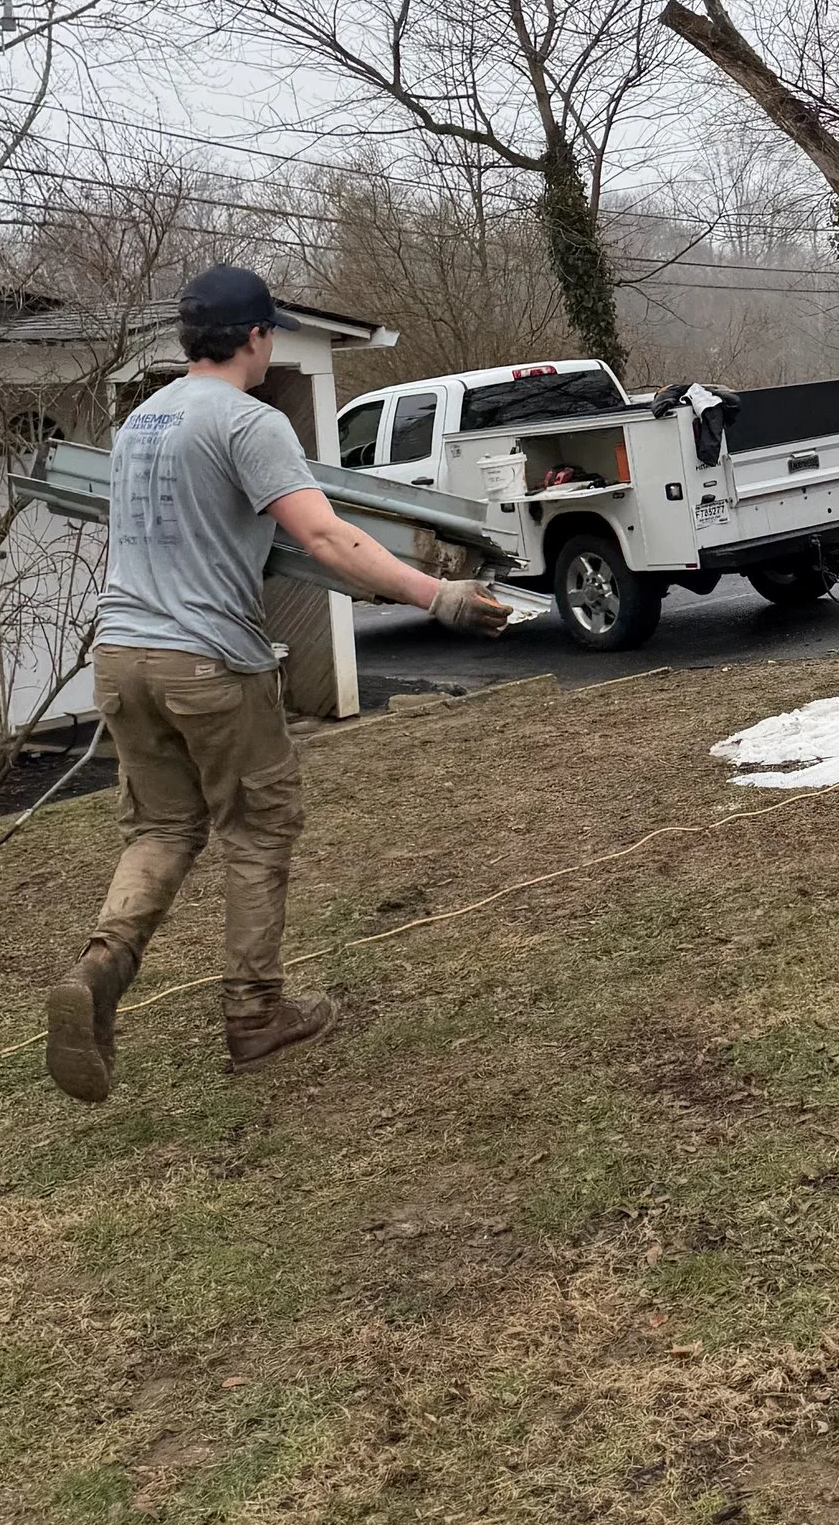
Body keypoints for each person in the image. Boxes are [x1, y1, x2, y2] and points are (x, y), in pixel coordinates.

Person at [44, 265, 510, 1102]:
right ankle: (256, 1014)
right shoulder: (248, 421)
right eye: (272, 335)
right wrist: (434, 594)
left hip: (120, 656)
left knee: (160, 826)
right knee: (259, 826)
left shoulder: (141, 420)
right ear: (256, 337)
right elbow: (326, 537)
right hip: (208, 660)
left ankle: (99, 970)